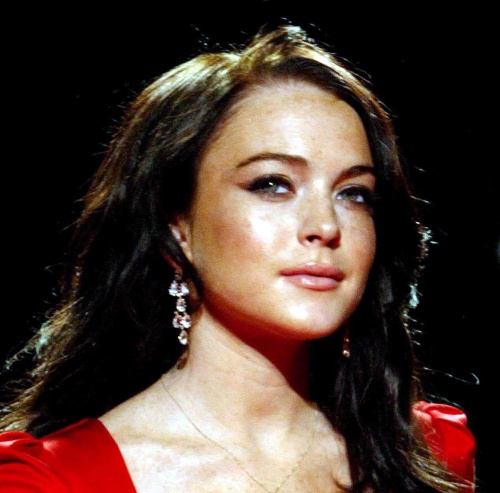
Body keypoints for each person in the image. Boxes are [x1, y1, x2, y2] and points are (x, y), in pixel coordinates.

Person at [0, 23, 476, 493]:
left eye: (353, 193)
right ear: (177, 225)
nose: (326, 227)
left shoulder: (433, 454)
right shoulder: (54, 480)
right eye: (272, 185)